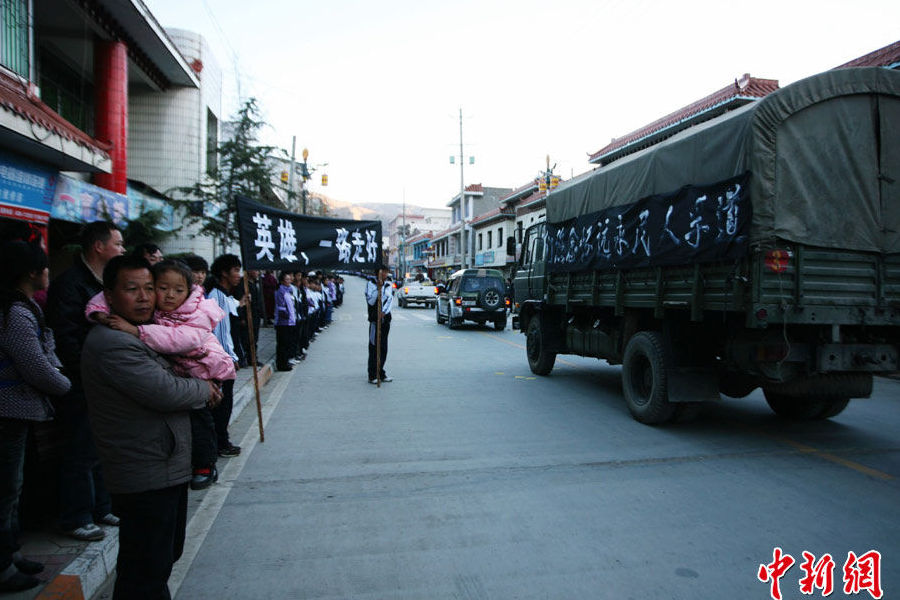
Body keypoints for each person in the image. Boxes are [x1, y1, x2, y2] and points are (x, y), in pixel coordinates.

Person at [81, 255, 220, 600]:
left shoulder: (144, 333)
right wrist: (205, 389)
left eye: (149, 288)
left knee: (159, 559)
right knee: (146, 569)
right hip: (144, 470)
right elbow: (166, 390)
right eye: (132, 289)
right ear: (109, 296)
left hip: (163, 465)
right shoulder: (114, 343)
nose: (145, 297)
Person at [84, 259, 235, 491]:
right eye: (162, 288)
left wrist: (138, 331)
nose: (168, 295)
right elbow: (101, 300)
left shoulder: (196, 311)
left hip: (205, 366)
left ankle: (205, 464)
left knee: (201, 420)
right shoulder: (116, 337)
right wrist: (99, 314)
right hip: (147, 459)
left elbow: (182, 340)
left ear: (189, 291)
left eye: (178, 290)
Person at [46, 221, 124, 541]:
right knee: (79, 449)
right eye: (118, 244)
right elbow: (66, 338)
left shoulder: (106, 282)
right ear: (98, 246)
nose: (122, 249)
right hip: (81, 380)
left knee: (100, 446)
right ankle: (76, 515)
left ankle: (101, 506)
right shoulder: (71, 284)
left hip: (104, 379)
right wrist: (87, 372)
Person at [0, 241, 71, 593]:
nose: (49, 272)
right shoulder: (15, 313)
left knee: (13, 487)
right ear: (32, 272)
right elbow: (34, 365)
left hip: (17, 411)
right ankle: (3, 566)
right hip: (8, 412)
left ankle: (10, 554)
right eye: (45, 267)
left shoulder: (23, 308)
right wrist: (66, 385)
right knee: (6, 489)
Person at [206, 255, 242, 458]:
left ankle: (222, 440)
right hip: (219, 362)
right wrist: (228, 358)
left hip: (226, 359)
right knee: (221, 405)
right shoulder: (215, 297)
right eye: (235, 270)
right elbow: (217, 333)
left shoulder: (226, 296)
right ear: (223, 273)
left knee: (225, 403)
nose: (239, 275)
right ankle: (220, 443)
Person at [365, 267, 394, 384]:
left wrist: (384, 312)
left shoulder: (388, 284)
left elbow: (390, 299)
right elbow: (371, 301)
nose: (385, 274)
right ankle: (372, 374)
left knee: (383, 347)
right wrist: (378, 288)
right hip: (374, 320)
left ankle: (381, 372)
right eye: (383, 272)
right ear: (378, 273)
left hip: (385, 319)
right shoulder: (370, 284)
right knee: (374, 347)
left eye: (386, 272)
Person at [273, 272, 296, 372]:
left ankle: (286, 361)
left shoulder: (289, 290)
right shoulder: (280, 291)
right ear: (282, 281)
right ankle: (281, 364)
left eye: (289, 279)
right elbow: (281, 308)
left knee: (287, 344)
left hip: (290, 321)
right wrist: (286, 316)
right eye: (287, 279)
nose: (289, 281)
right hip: (283, 323)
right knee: (282, 344)